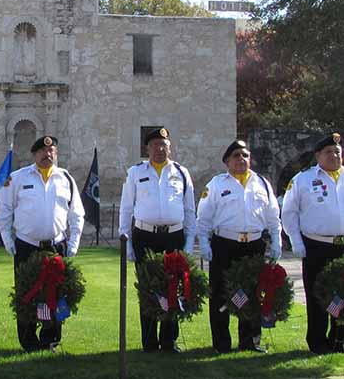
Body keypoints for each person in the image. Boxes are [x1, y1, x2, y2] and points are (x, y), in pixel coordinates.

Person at [0, 135, 84, 352]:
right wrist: (8, 240)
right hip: (27, 246)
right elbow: (4, 211)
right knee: (27, 294)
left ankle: (51, 338)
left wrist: (74, 242)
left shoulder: (66, 179)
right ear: (34, 154)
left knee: (56, 293)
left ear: (56, 154)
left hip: (56, 245)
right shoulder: (17, 179)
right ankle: (28, 341)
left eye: (52, 151)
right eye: (43, 152)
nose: (48, 154)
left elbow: (77, 214)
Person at [197, 139, 281, 354]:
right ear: (227, 161)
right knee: (220, 294)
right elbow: (204, 218)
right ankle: (221, 344)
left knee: (253, 293)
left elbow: (273, 216)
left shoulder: (261, 183)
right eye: (236, 156)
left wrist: (276, 240)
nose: (241, 159)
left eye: (245, 155)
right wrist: (205, 244)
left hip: (253, 245)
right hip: (224, 244)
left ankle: (250, 341)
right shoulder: (217, 184)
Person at [119, 127, 196, 353]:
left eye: (164, 145)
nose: (159, 149)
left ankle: (169, 340)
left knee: (174, 286)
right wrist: (126, 239)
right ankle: (150, 341)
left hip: (174, 236)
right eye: (155, 145)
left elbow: (189, 209)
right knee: (149, 289)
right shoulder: (136, 173)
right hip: (145, 236)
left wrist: (189, 242)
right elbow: (126, 207)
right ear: (147, 148)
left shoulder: (181, 173)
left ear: (170, 147)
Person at [282, 132, 344, 354]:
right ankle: (318, 342)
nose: (334, 155)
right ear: (318, 155)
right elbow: (289, 213)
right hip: (317, 246)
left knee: (342, 294)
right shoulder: (303, 179)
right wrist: (296, 241)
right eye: (329, 152)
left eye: (337, 151)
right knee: (318, 295)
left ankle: (340, 339)